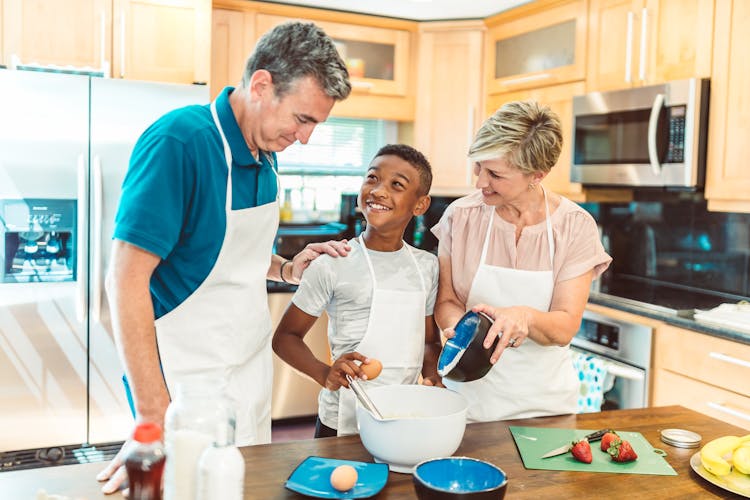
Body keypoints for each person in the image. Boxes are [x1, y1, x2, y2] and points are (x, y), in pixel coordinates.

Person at [97, 21, 352, 494]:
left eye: (315, 124)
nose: (305, 138)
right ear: (261, 85)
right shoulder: (181, 142)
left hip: (248, 373)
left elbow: (238, 252)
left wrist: (287, 268)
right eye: (302, 119)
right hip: (187, 383)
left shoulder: (266, 153)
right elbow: (125, 280)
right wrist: (153, 416)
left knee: (246, 487)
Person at [432, 100, 611, 423]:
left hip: (545, 409)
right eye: (478, 167)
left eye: (495, 174)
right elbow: (447, 300)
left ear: (537, 175)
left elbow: (565, 326)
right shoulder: (460, 217)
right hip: (468, 405)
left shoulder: (574, 226)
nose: (480, 183)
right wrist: (456, 330)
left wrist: (524, 317)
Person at [272, 144, 443, 438]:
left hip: (404, 416)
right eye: (372, 178)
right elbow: (285, 338)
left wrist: (432, 376)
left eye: (396, 185)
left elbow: (428, 342)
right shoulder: (333, 263)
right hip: (339, 422)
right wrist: (324, 373)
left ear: (420, 205)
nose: (378, 191)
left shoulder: (426, 267)